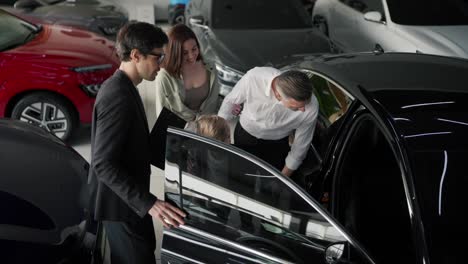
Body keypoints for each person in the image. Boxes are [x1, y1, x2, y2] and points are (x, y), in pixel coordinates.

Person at [87, 21, 186, 264]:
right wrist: (151, 204)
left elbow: (132, 146)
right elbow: (103, 163)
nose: (161, 65)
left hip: (131, 204)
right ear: (135, 55)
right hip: (122, 208)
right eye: (158, 58)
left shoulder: (127, 86)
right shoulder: (117, 95)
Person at [218, 67, 319, 177]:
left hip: (276, 147)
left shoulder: (312, 107)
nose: (303, 110)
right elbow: (230, 103)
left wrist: (282, 179)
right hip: (244, 136)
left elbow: (300, 148)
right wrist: (219, 135)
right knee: (239, 174)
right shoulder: (254, 78)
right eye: (297, 107)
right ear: (278, 96)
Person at [151, 24, 219, 127]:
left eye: (194, 49)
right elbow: (162, 115)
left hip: (208, 130)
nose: (191, 56)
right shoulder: (164, 76)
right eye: (185, 53)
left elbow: (214, 101)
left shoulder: (210, 67)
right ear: (175, 53)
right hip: (181, 134)